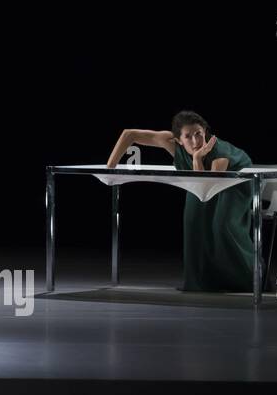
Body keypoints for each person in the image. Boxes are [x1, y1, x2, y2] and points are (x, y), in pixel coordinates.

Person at [104, 110, 255, 292]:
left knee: (221, 225)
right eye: (188, 136)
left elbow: (206, 188)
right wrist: (110, 167)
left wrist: (197, 157)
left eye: (199, 133)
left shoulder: (219, 153)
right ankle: (203, 282)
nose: (195, 141)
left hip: (235, 181)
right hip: (201, 181)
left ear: (205, 131)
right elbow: (130, 134)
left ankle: (250, 279)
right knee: (193, 223)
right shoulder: (170, 142)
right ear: (178, 139)